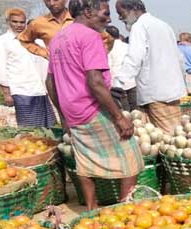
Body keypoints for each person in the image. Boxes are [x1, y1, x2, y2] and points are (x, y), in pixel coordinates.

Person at [47, 0, 143, 210]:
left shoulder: (58, 39)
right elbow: (95, 81)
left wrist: (63, 115)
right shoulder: (90, 37)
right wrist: (119, 117)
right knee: (131, 156)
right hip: (92, 107)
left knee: (86, 160)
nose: (108, 18)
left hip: (72, 111)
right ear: (88, 12)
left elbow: (50, 82)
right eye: (105, 12)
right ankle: (126, 208)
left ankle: (90, 208)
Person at [113, 0, 187, 134]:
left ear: (134, 9)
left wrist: (118, 83)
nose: (119, 18)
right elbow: (179, 58)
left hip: (156, 93)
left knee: (167, 137)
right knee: (174, 132)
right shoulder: (163, 25)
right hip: (171, 90)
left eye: (121, 13)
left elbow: (134, 58)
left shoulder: (139, 27)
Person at [0, 8, 56, 127]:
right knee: (29, 129)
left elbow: (45, 63)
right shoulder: (2, 41)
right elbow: (0, 68)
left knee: (48, 128)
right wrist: (6, 93)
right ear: (8, 22)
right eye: (15, 22)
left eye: (22, 22)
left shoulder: (36, 41)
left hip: (40, 89)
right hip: (21, 91)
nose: (18, 25)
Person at [105, 25, 137, 111]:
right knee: (135, 111)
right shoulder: (128, 46)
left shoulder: (109, 49)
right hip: (132, 82)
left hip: (118, 85)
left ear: (109, 36)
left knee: (125, 113)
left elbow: (108, 67)